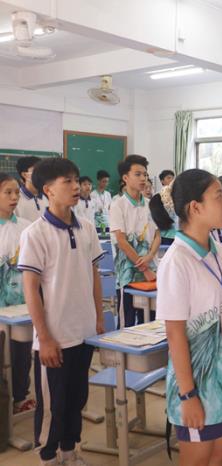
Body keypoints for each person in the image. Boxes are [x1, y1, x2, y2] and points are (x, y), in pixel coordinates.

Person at [156, 169, 222, 465]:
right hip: (198, 383)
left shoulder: (220, 251)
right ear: (195, 207)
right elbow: (175, 334)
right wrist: (188, 395)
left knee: (217, 458)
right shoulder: (177, 261)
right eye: (218, 196)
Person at [18, 158, 104, 466]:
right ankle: (47, 456)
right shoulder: (35, 233)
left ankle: (69, 451)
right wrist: (44, 337)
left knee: (77, 399)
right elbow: (31, 289)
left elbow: (94, 275)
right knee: (53, 404)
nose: (75, 186)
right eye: (67, 181)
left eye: (76, 180)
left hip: (85, 333)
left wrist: (98, 318)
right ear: (48, 189)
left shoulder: (87, 228)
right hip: (55, 336)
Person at [109, 155, 161, 327]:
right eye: (137, 174)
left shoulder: (150, 204)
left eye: (145, 174)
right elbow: (122, 241)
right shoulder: (118, 205)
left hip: (151, 273)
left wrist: (150, 257)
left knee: (151, 322)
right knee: (127, 324)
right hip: (128, 276)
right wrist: (144, 268)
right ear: (125, 178)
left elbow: (157, 235)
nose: (143, 178)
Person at [0, 173, 35, 415]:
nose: (14, 197)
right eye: (8, 193)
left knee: (21, 351)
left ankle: (20, 396)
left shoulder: (26, 227)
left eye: (16, 193)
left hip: (22, 305)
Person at [15, 156, 48, 222]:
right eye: (37, 171)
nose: (42, 175)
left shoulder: (48, 197)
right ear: (25, 175)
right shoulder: (15, 200)